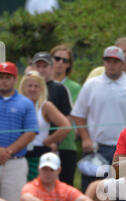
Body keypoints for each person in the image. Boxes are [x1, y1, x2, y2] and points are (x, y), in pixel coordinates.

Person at [72, 45, 126, 192]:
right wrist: (85, 138)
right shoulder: (91, 85)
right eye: (108, 61)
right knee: (94, 192)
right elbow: (78, 114)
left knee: (123, 193)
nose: (111, 65)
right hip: (97, 148)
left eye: (115, 62)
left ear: (123, 64)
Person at [19, 70, 72, 181]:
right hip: (19, 154)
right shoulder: (17, 105)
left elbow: (66, 126)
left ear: (41, 88)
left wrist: (49, 141)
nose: (32, 89)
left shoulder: (46, 106)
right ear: (23, 87)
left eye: (36, 86)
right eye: (29, 86)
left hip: (39, 154)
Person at [0, 61, 38, 201]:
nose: (4, 80)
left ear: (15, 79)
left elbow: (30, 132)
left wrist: (7, 152)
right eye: (1, 77)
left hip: (15, 161)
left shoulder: (26, 103)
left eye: (8, 77)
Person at [31, 51, 74, 185]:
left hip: (51, 147)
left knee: (51, 183)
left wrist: (52, 140)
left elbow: (67, 120)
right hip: (28, 147)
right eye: (38, 66)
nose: (41, 70)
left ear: (51, 68)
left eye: (45, 66)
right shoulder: (28, 88)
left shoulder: (59, 88)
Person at [50, 44, 81, 186]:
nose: (60, 63)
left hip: (66, 144)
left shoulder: (75, 87)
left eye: (65, 60)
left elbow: (72, 114)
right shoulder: (41, 84)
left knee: (65, 187)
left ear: (69, 65)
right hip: (43, 142)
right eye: (57, 58)